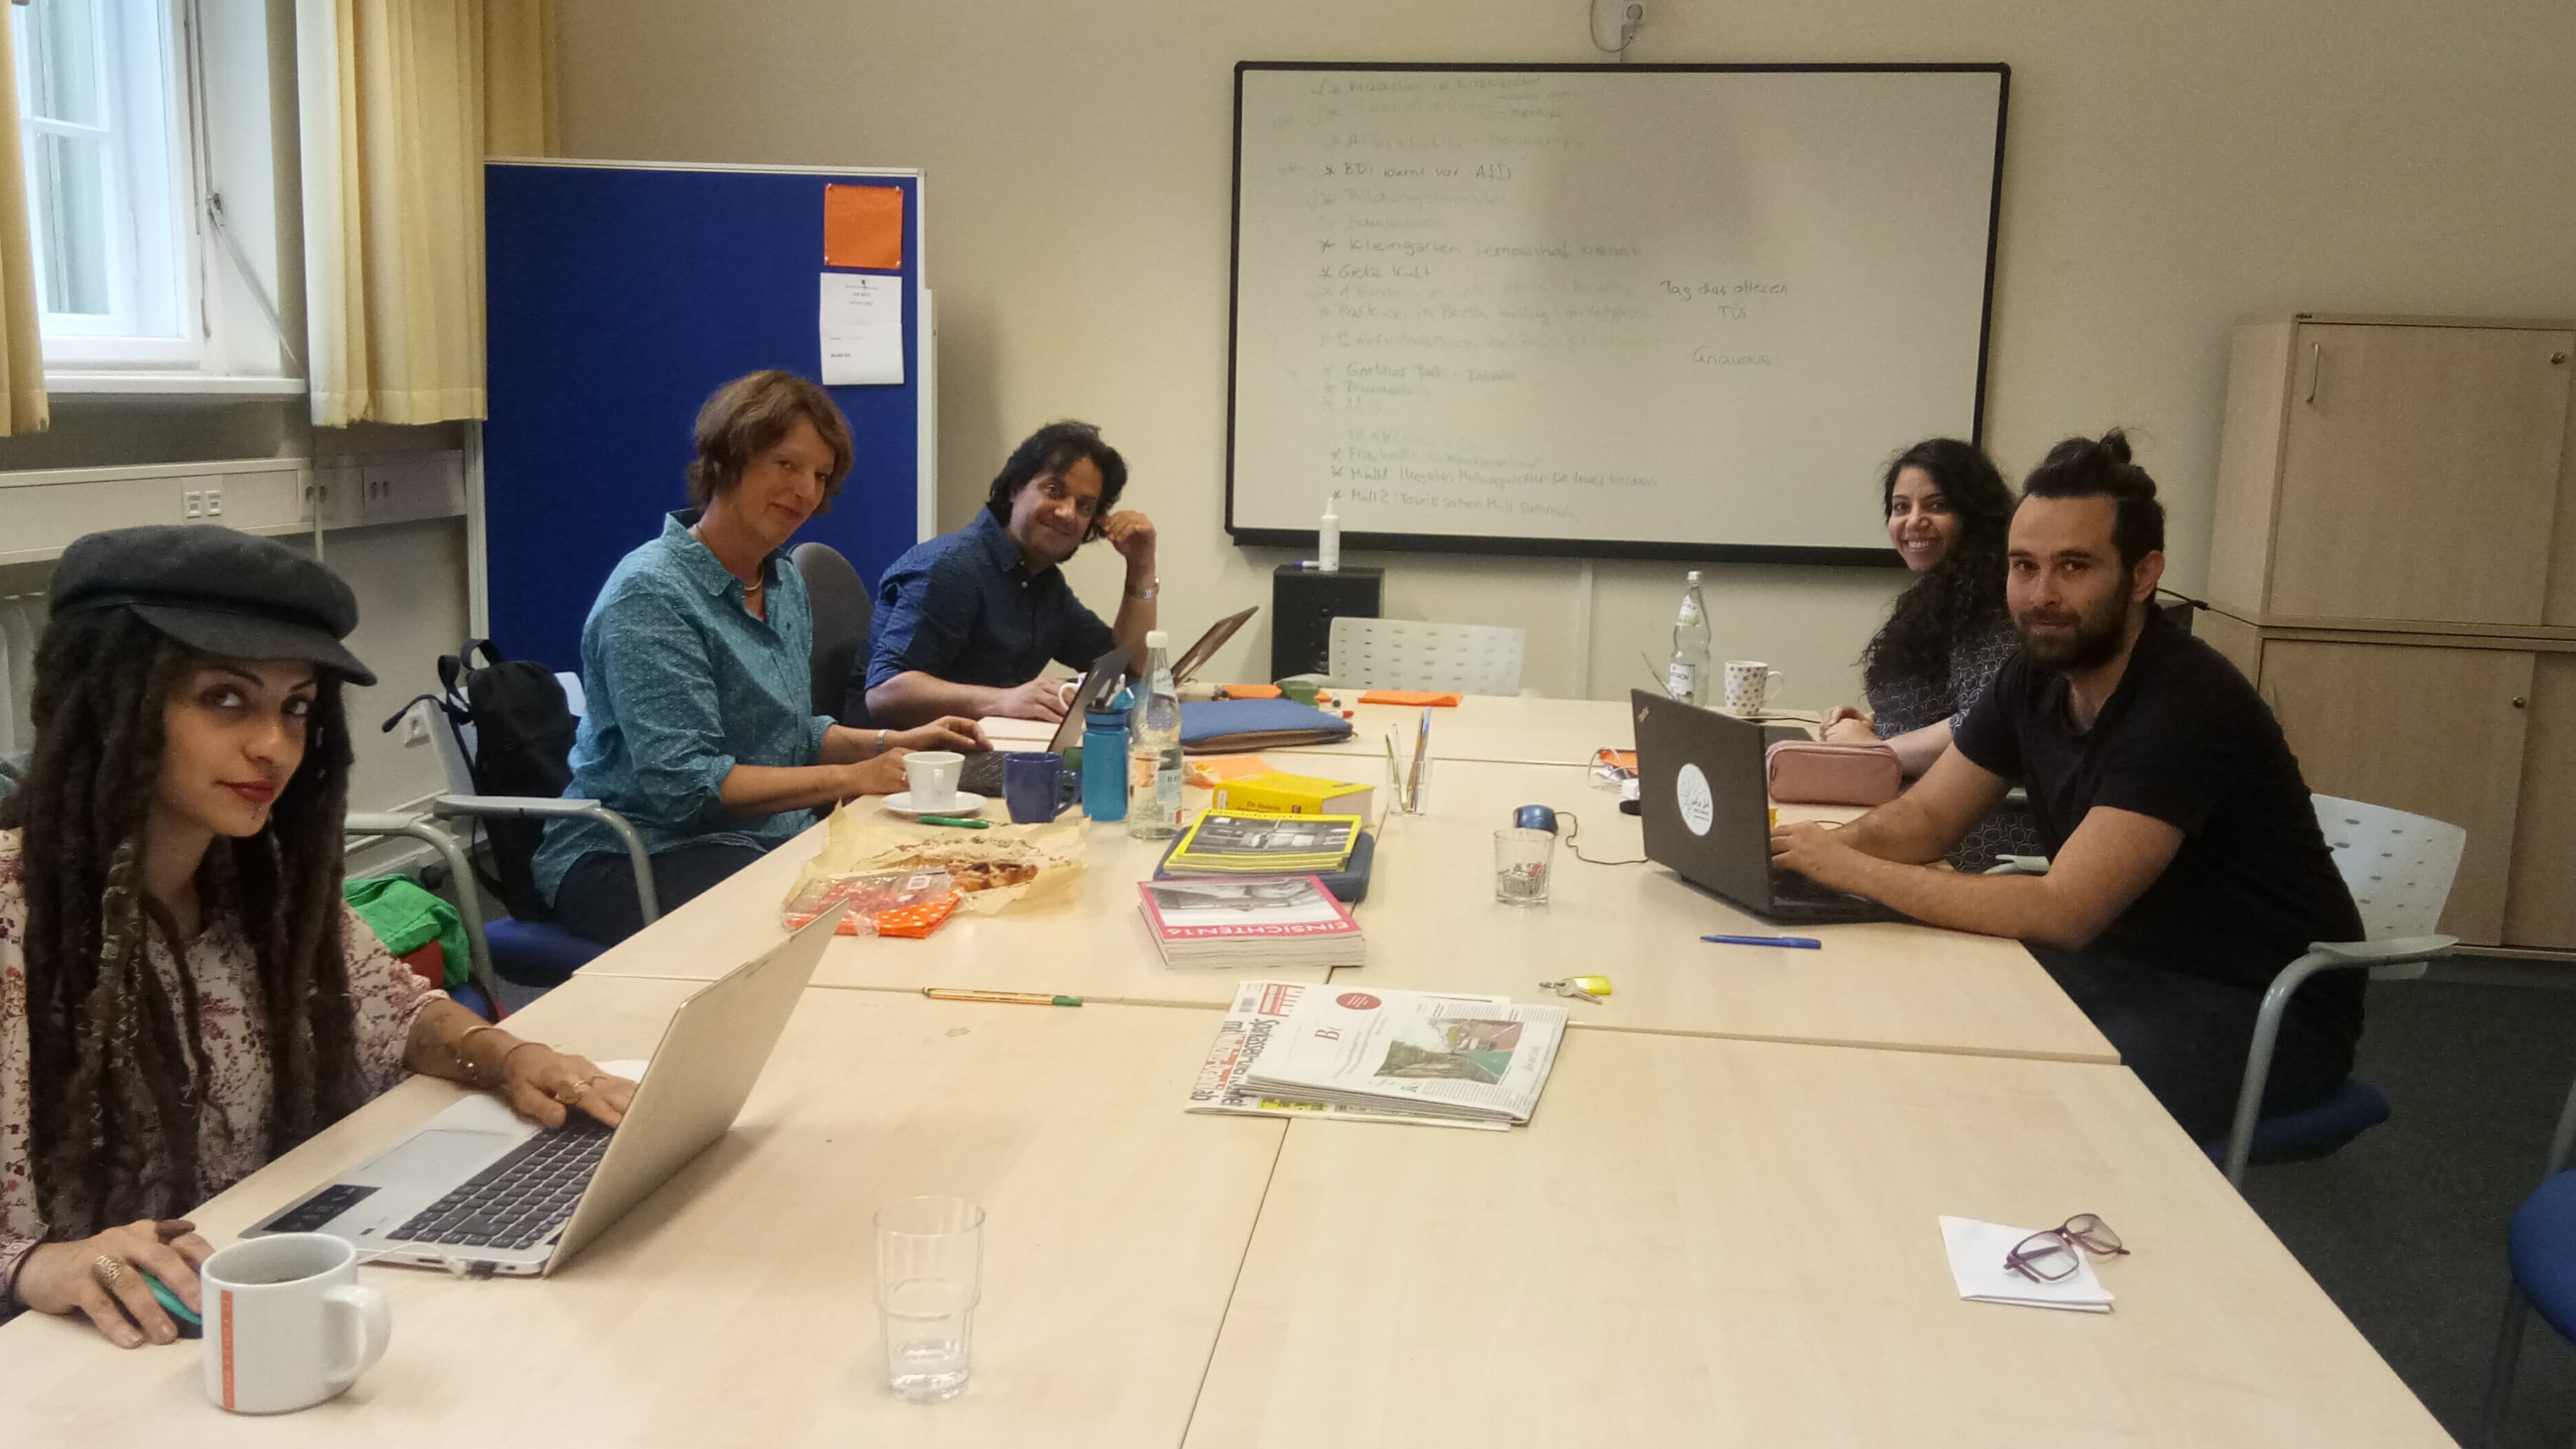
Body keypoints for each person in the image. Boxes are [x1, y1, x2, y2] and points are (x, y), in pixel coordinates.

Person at [0, 526, 636, 1346]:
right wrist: (37, 1264)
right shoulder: (17, 917)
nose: (273, 744)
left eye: (295, 706)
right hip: (66, 1360)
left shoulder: (262, 886)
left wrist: (509, 1057)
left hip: (249, 1308)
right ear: (108, 701)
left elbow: (396, 1012)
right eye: (225, 697)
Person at [1770, 431, 2365, 1139]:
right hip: (2121, 966)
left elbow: (2063, 909)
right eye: (2024, 566)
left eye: (2073, 566)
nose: (2041, 595)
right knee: (1919, 1023)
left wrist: (1853, 869)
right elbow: (1927, 819)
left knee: (2028, 1105)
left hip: (2257, 1006)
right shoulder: (2031, 674)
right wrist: (1801, 855)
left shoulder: (2186, 702)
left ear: (2142, 575)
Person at [533, 371, 984, 945]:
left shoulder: (782, 580)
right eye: (786, 464)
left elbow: (789, 733)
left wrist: (887, 744)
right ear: (729, 458)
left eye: (820, 476)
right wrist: (852, 777)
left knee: (928, 876)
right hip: (637, 852)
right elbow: (686, 786)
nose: (805, 491)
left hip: (755, 838)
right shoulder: (651, 595)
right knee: (835, 927)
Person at [1818, 438, 2043, 873]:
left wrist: (1879, 753)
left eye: (1936, 506)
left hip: (1970, 828)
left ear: (1974, 515)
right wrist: (1869, 723)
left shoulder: (1992, 603)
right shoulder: (1944, 592)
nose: (1913, 522)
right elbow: (1941, 704)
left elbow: (1985, 724)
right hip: (1914, 803)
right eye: (1900, 507)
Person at [861, 420, 1160, 728]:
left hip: (980, 752)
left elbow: (1126, 666)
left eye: (1085, 506)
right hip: (907, 764)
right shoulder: (952, 567)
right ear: (1016, 487)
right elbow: (884, 693)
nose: (1068, 513)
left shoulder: (1043, 583)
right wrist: (1005, 700)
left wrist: (1141, 567)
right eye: (1054, 490)